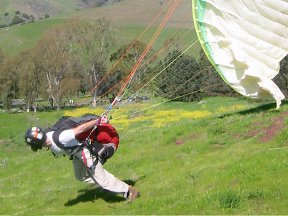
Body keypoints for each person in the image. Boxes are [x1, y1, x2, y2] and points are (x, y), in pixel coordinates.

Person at [24, 114, 140, 201]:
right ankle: (106, 182)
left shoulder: (60, 137)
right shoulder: (48, 137)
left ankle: (128, 191)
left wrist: (98, 121)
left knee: (102, 178)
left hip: (84, 152)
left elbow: (79, 129)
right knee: (80, 176)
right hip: (75, 154)